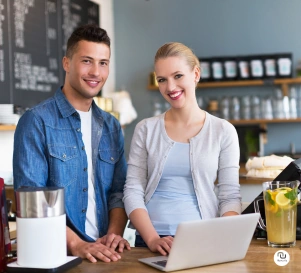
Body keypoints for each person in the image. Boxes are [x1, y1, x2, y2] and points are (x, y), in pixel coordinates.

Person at [13, 24, 130, 263]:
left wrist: (114, 235)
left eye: (103, 63)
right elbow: (33, 200)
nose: (96, 72)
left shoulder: (111, 126)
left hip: (107, 253)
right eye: (87, 61)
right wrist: (77, 245)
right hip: (61, 254)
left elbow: (118, 192)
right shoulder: (36, 121)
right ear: (67, 63)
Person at [123, 42, 241, 255]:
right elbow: (132, 190)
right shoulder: (145, 129)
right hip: (149, 242)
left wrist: (222, 236)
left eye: (178, 76)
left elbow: (230, 195)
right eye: (162, 80)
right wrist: (152, 239)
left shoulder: (223, 131)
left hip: (203, 238)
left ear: (195, 74)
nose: (170, 87)